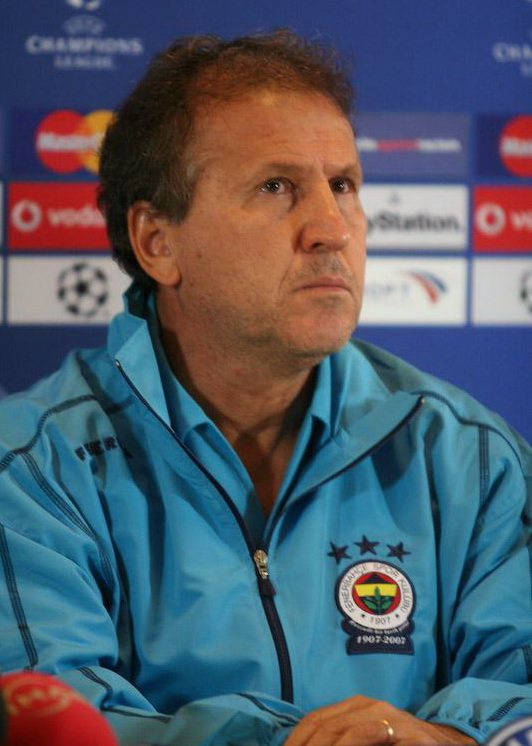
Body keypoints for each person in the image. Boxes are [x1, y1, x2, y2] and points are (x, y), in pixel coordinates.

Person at [0, 30, 530, 746]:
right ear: (158, 241)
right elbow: (52, 723)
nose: (331, 229)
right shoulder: (30, 471)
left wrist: (443, 739)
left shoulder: (470, 457)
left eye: (343, 185)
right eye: (276, 187)